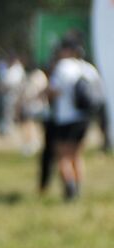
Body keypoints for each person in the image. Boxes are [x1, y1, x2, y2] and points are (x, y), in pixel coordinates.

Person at [46, 40, 101, 201]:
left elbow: (53, 90)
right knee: (76, 155)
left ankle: (70, 192)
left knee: (63, 156)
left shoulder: (64, 66)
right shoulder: (88, 68)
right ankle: (78, 190)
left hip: (66, 118)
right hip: (84, 117)